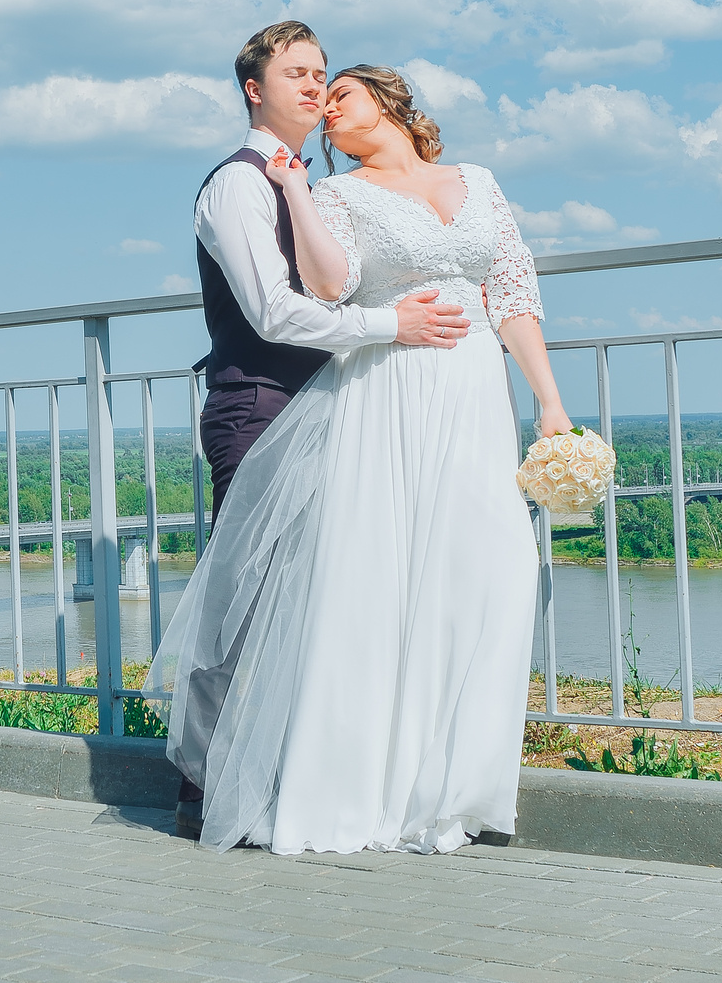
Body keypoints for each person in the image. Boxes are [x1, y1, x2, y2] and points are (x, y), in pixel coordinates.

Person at [154, 63, 573, 855]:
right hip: (388, 389)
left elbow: (512, 292)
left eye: (337, 89)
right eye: (310, 86)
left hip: (475, 392)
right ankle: (359, 786)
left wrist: (549, 402)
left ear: (385, 100)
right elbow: (329, 282)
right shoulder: (333, 193)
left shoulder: (478, 182)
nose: (324, 105)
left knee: (491, 573)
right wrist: (296, 194)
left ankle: (457, 786)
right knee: (379, 585)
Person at [178, 23, 474, 839]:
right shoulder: (237, 187)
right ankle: (204, 789)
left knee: (311, 603)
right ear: (253, 88)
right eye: (296, 74)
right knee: (244, 599)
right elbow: (273, 310)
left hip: (330, 411)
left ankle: (280, 783)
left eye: (320, 74)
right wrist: (392, 326)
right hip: (259, 406)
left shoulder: (308, 182)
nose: (314, 87)